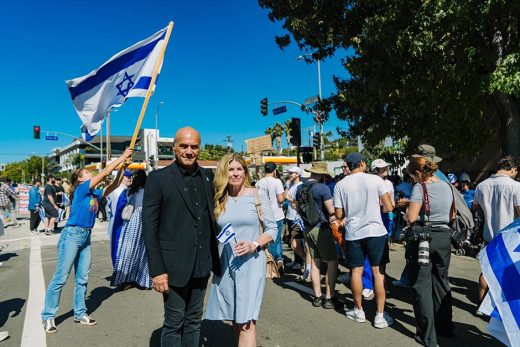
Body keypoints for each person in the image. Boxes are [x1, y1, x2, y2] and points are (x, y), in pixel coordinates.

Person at [142, 127, 221, 346]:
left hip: (202, 264)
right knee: (174, 323)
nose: (189, 151)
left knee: (195, 321)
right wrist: (157, 270)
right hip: (173, 266)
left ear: (199, 148)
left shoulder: (208, 177)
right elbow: (149, 227)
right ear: (174, 148)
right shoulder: (158, 179)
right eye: (184, 146)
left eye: (194, 147)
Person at [41, 148, 133, 334]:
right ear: (80, 179)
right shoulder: (83, 189)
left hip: (86, 237)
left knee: (82, 278)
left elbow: (114, 185)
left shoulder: (95, 195)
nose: (90, 174)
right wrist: (121, 156)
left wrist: (123, 167)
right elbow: (106, 173)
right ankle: (48, 316)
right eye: (87, 173)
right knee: (61, 277)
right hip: (72, 235)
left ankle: (80, 312)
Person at [205, 153, 278, 346]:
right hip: (225, 264)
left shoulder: (257, 194)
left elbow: (272, 229)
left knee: (246, 323)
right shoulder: (219, 198)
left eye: (239, 169)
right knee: (235, 319)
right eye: (231, 169)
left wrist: (254, 244)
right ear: (223, 172)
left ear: (245, 172)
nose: (236, 173)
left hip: (251, 265)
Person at [333, 152, 394, 328]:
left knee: (356, 272)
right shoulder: (376, 180)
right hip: (376, 231)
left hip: (354, 233)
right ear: (361, 163)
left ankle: (359, 311)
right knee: (378, 273)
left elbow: (338, 214)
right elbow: (388, 207)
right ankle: (380, 315)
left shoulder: (340, 185)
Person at [404, 156, 455, 346]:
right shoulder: (446, 185)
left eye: (412, 176)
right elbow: (452, 214)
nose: (412, 180)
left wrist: (409, 206)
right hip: (444, 236)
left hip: (424, 237)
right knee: (442, 281)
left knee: (421, 285)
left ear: (418, 173)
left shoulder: (420, 187)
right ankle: (445, 327)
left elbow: (411, 217)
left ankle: (427, 335)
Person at [473, 156, 520, 314]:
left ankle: (480, 304)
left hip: (489, 233)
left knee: (486, 270)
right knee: (507, 273)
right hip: (509, 237)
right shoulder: (515, 186)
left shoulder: (481, 185)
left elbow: (476, 207)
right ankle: (500, 307)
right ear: (513, 169)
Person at [296, 162, 338, 309]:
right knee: (332, 262)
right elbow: (331, 210)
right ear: (321, 174)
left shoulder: (300, 187)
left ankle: (317, 296)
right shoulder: (323, 188)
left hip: (307, 227)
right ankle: (329, 297)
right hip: (322, 228)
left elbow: (297, 207)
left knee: (315, 262)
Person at [111, 169, 152, 290]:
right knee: (144, 251)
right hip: (146, 221)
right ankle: (143, 280)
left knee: (128, 251)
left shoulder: (131, 191)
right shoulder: (149, 191)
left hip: (133, 222)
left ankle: (125, 279)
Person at [255, 162, 285, 274]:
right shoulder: (277, 182)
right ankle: (273, 261)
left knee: (267, 239)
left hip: (264, 215)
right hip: (277, 214)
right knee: (276, 240)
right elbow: (281, 199)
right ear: (274, 170)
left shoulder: (259, 183)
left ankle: (277, 259)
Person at [107, 170, 133, 269]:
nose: (130, 179)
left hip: (122, 223)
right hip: (118, 223)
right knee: (117, 247)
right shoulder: (118, 191)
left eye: (131, 177)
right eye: (127, 177)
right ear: (121, 177)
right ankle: (118, 272)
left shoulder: (126, 190)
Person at [284, 166, 306, 272]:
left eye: (292, 173)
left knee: (297, 242)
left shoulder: (301, 186)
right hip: (290, 215)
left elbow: (297, 202)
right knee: (294, 241)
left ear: (298, 174)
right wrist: (287, 186)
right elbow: (284, 195)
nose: (290, 175)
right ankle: (298, 261)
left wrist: (289, 198)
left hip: (296, 217)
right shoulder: (291, 184)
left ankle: (303, 261)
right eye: (290, 173)